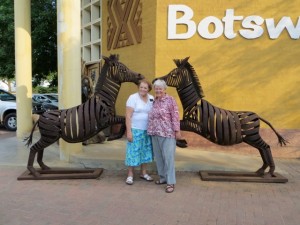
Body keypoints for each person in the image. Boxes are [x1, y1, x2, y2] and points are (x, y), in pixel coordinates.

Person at [147, 79, 182, 193]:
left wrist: (177, 131)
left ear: (164, 89)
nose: (158, 90)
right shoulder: (154, 101)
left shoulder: (170, 100)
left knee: (168, 158)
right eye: (156, 88)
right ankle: (163, 178)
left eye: (160, 88)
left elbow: (175, 116)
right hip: (155, 133)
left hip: (167, 133)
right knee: (159, 157)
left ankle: (171, 182)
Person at [125, 79, 154, 185]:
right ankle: (130, 174)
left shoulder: (151, 98)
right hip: (135, 129)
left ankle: (143, 173)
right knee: (133, 152)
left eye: (145, 88)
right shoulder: (133, 98)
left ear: (148, 89)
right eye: (141, 87)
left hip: (147, 130)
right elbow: (128, 116)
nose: (143, 89)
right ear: (138, 88)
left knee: (145, 152)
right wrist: (129, 132)